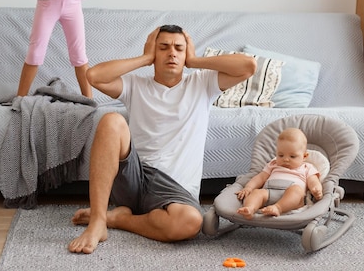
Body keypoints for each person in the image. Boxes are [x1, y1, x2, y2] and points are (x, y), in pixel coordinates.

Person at [68, 25, 257, 254]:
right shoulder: (135, 85)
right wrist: (145, 58)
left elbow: (248, 66)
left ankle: (118, 219)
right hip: (134, 177)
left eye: (179, 48)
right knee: (111, 121)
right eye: (164, 47)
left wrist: (194, 60)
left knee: (190, 222)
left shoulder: (202, 84)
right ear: (154, 52)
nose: (172, 53)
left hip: (174, 188)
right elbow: (93, 76)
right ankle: (98, 221)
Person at [235, 127, 323, 219]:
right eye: (280, 155)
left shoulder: (307, 167)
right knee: (257, 193)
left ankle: (278, 208)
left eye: (292, 156)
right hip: (269, 192)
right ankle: (249, 209)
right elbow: (260, 177)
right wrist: (249, 187)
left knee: (296, 191)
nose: (285, 159)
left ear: (304, 156)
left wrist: (316, 189)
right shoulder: (273, 164)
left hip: (290, 198)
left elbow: (313, 180)